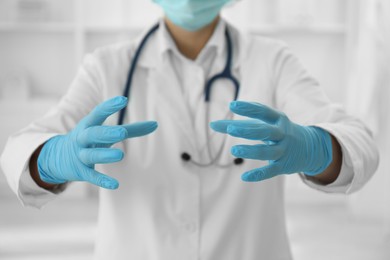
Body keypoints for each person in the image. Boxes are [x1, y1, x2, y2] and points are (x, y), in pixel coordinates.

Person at [0, 0, 379, 259]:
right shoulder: (106, 67)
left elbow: (359, 142)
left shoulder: (272, 61)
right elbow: (19, 149)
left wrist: (317, 148)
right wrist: (51, 158)